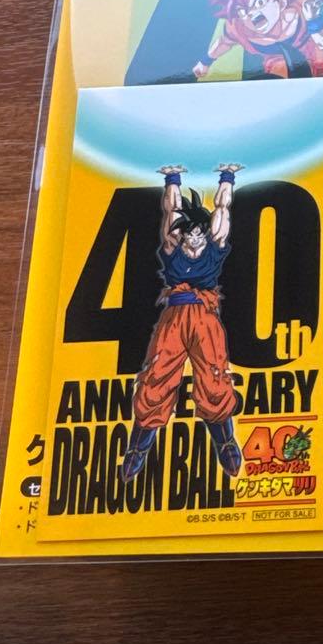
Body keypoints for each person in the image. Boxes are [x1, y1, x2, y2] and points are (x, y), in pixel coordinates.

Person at [121, 164, 244, 482]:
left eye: (200, 233)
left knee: (214, 376)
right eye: (190, 233)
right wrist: (172, 179)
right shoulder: (174, 248)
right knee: (156, 377)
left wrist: (227, 177)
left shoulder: (213, 248)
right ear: (184, 234)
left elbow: (223, 208)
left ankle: (225, 441)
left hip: (204, 317)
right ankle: (138, 447)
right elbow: (171, 211)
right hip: (174, 318)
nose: (195, 238)